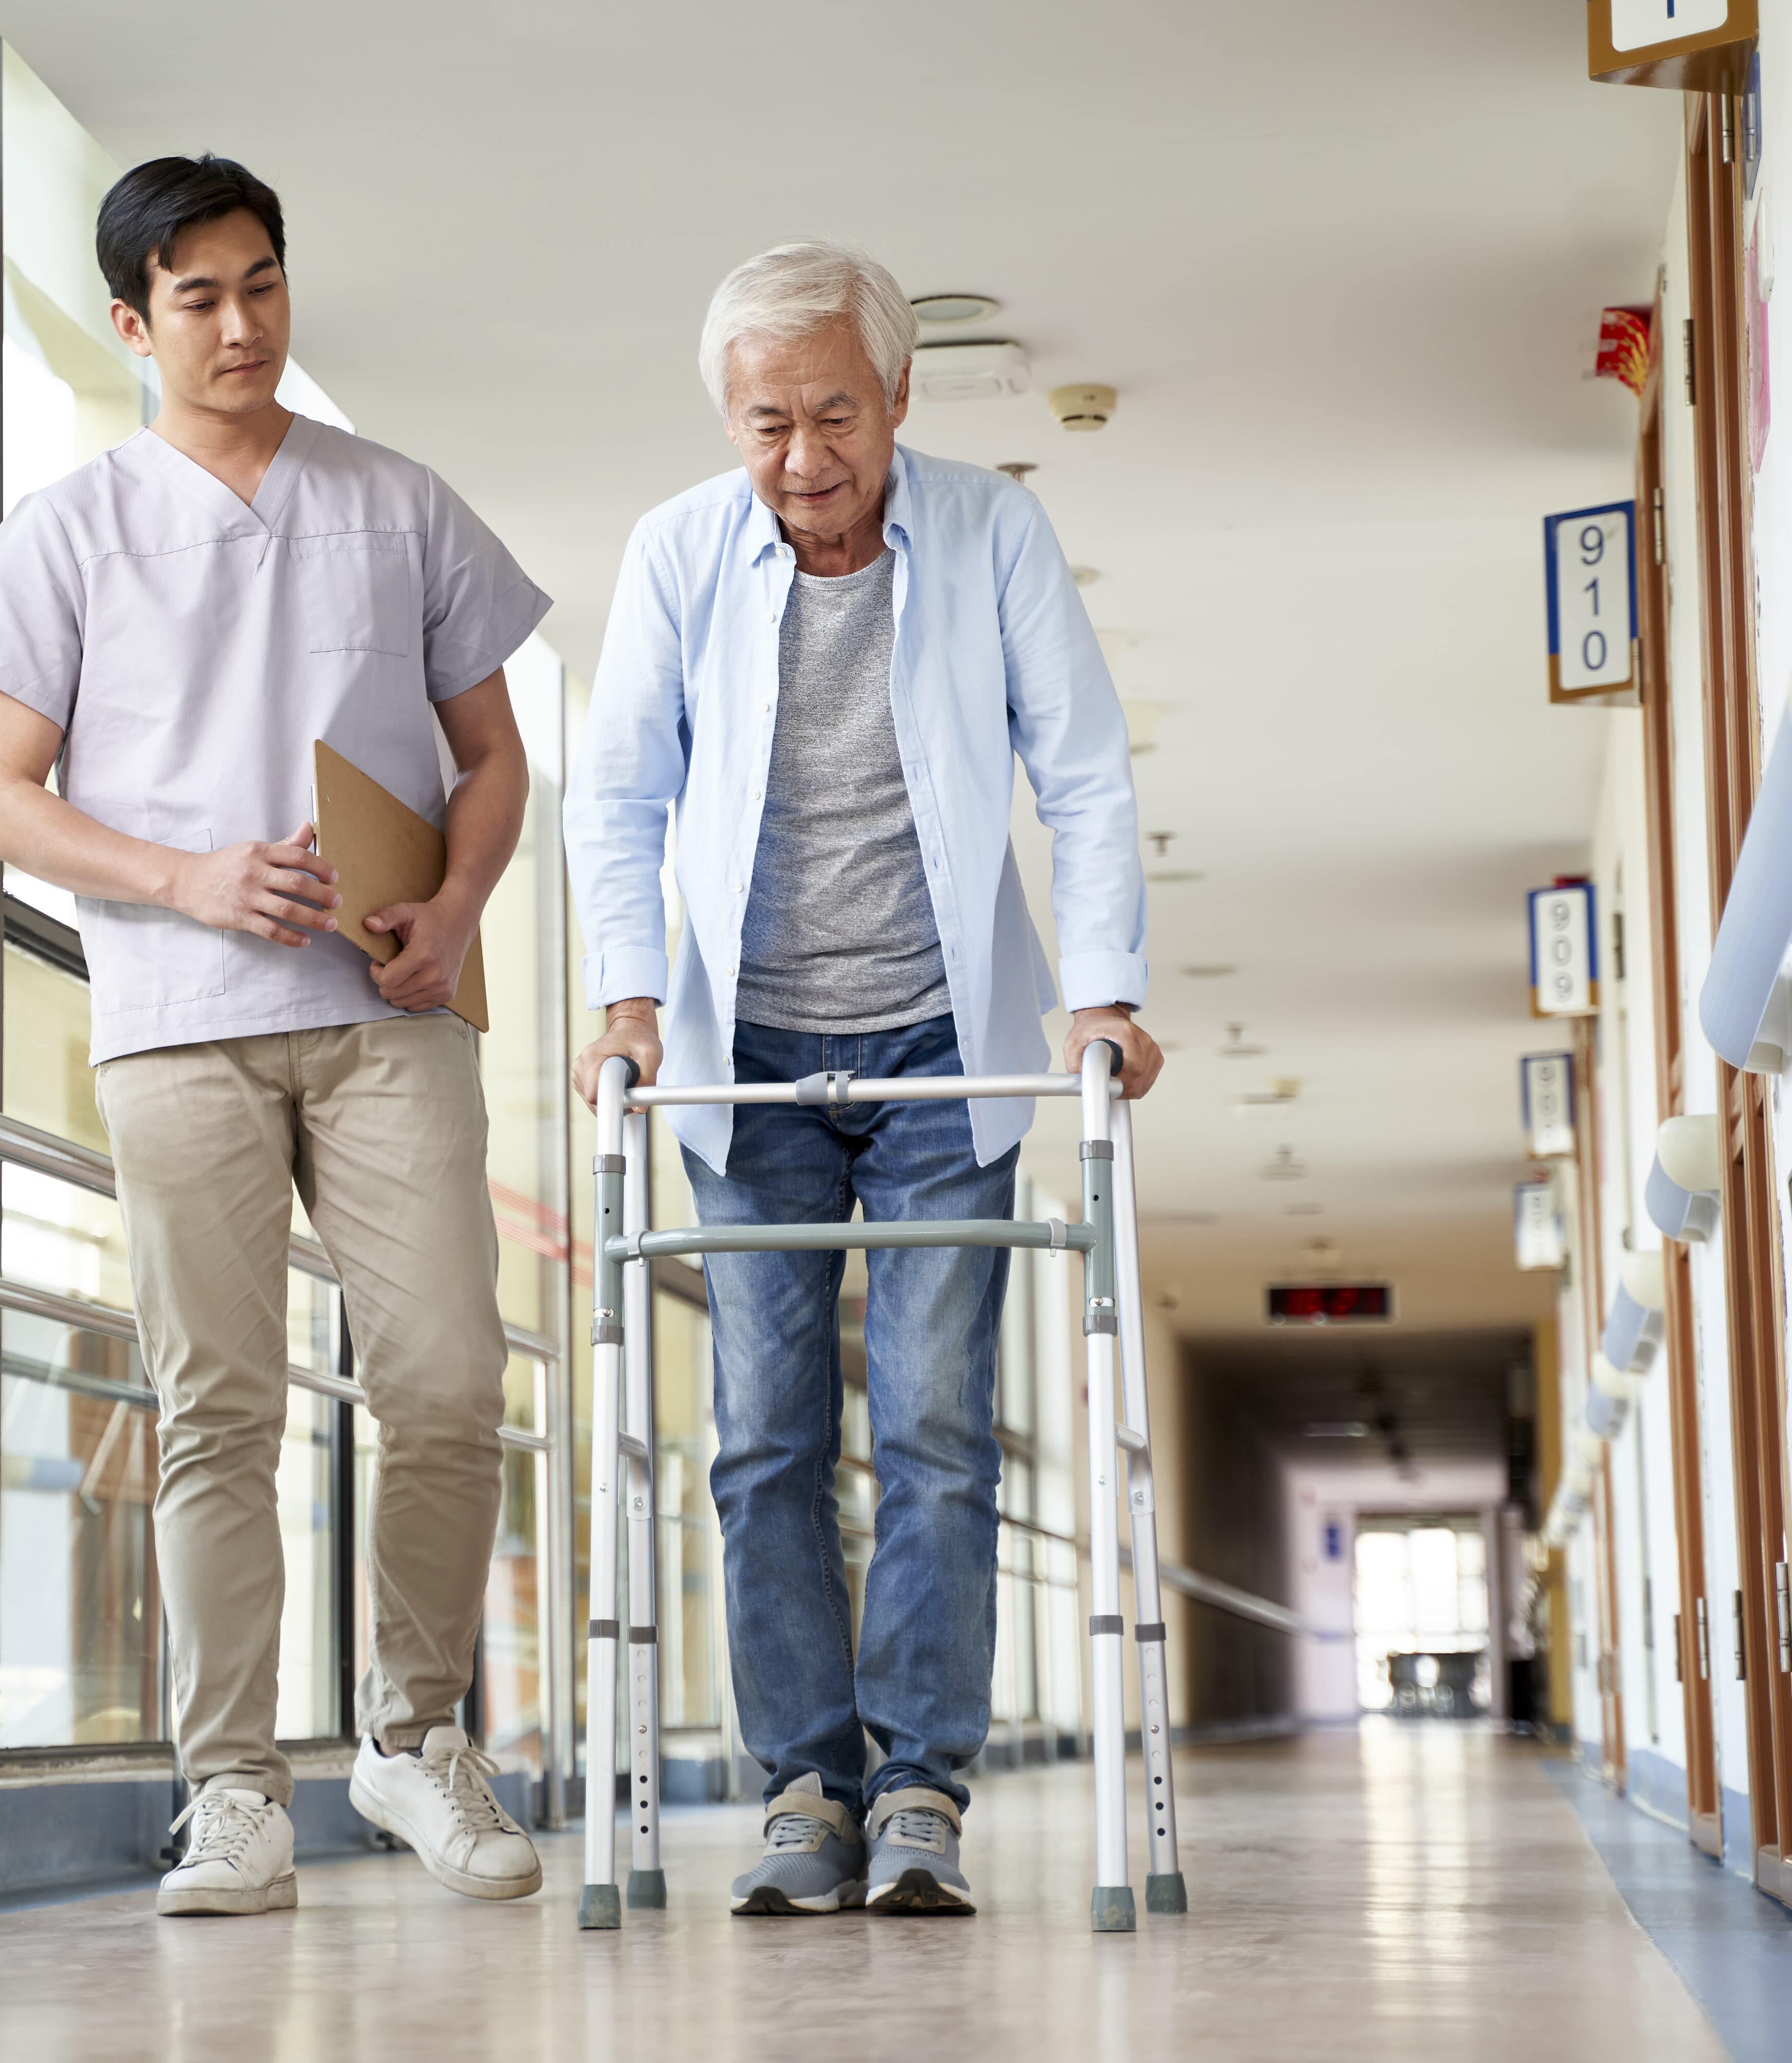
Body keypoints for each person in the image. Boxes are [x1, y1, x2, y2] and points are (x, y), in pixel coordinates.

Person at [0, 154, 549, 1918]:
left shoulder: (399, 503)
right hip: (179, 1020)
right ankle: (230, 1791)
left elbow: (492, 758)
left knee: (443, 1378)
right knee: (221, 1409)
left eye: (261, 282)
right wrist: (183, 880)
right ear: (131, 326)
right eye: (195, 296)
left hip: (385, 1011)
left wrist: (460, 906)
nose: (239, 321)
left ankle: (416, 1737)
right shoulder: (69, 530)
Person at [564, 240, 1162, 1917]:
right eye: (768, 423)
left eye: (837, 413)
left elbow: (1089, 773)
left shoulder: (991, 534)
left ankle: (920, 1784)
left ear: (900, 396)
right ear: (729, 421)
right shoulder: (677, 555)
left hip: (938, 1055)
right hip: (739, 1062)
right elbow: (614, 794)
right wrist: (624, 1005)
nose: (806, 458)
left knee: (938, 1425)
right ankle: (804, 1784)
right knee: (761, 1438)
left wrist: (1102, 996)